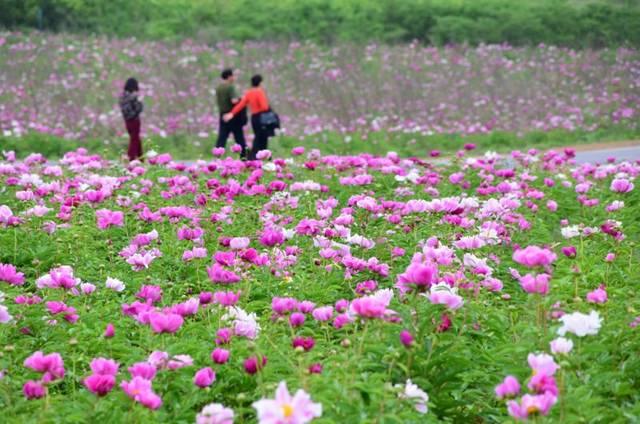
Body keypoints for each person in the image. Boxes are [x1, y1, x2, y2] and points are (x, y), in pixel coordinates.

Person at [224, 74, 273, 160]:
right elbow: (264, 107)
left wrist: (231, 113)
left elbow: (241, 104)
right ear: (260, 82)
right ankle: (261, 156)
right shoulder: (259, 91)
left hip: (254, 118)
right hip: (262, 117)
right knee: (263, 138)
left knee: (257, 136)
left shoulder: (249, 92)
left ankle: (255, 156)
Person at [215, 68, 247, 158]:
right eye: (233, 76)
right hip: (232, 115)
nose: (234, 78)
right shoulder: (230, 87)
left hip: (222, 114)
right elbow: (234, 101)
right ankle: (244, 158)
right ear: (229, 76)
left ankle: (217, 156)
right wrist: (242, 99)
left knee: (222, 137)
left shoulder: (219, 88)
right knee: (239, 137)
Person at [119, 78, 144, 161]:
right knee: (134, 140)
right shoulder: (134, 97)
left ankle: (141, 158)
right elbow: (138, 110)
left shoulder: (122, 97)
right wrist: (140, 102)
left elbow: (124, 110)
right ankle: (131, 158)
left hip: (127, 121)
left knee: (136, 139)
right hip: (134, 121)